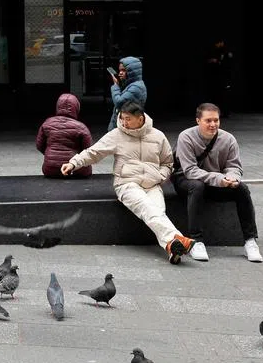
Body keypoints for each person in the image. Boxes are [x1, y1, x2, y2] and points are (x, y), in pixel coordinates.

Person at [61, 103, 196, 264]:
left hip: (152, 184)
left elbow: (168, 163)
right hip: (126, 183)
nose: (124, 122)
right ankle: (178, 238)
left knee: (157, 212)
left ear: (140, 118)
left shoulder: (158, 136)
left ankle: (171, 247)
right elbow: (94, 152)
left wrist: (160, 177)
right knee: (147, 207)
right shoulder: (116, 135)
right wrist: (74, 163)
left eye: (128, 119)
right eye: (122, 118)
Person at [171, 103, 262, 263]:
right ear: (198, 121)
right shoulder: (186, 137)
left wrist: (232, 178)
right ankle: (196, 241)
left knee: (242, 189)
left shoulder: (228, 139)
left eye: (216, 120)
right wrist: (219, 179)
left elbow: (234, 166)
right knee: (197, 186)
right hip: (186, 180)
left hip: (217, 182)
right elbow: (190, 170)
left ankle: (250, 241)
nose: (213, 124)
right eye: (208, 120)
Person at [36, 93, 94, 178]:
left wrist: (51, 155)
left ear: (58, 107)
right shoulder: (81, 127)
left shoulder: (46, 123)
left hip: (50, 169)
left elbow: (39, 145)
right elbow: (88, 150)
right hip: (77, 170)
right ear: (76, 108)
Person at [109, 55, 147, 132]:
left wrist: (115, 86)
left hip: (128, 126)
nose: (120, 73)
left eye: (123, 70)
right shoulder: (130, 84)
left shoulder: (136, 87)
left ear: (132, 72)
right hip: (124, 124)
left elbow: (119, 102)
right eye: (120, 70)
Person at [203, 39, 235, 113]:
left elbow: (228, 64)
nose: (216, 45)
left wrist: (217, 61)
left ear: (221, 43)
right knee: (216, 95)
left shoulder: (227, 52)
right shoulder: (214, 52)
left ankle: (225, 111)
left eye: (218, 43)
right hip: (216, 77)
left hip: (224, 77)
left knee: (224, 95)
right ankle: (216, 111)